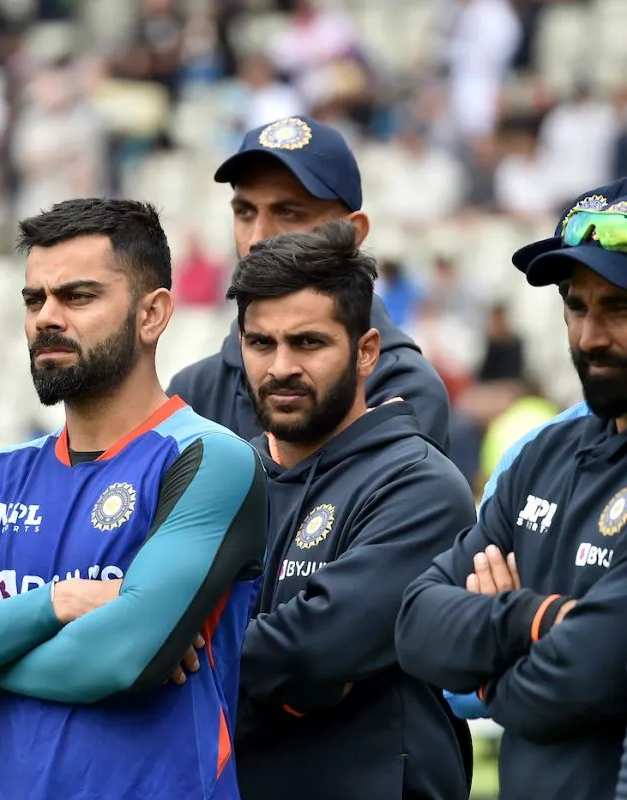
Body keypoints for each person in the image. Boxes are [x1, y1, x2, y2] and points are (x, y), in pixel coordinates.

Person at [0, 198, 269, 800]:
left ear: (153, 314)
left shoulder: (209, 459)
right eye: (35, 300)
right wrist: (57, 605)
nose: (47, 318)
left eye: (78, 297)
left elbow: (123, 658)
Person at [396, 181, 627, 800]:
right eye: (577, 307)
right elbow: (416, 624)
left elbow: (596, 669)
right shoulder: (545, 454)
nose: (589, 337)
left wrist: (493, 676)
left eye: (619, 308)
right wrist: (535, 617)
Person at [228, 220, 474, 800]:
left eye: (308, 343)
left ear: (366, 352)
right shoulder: (224, 478)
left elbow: (308, 654)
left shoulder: (420, 485)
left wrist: (172, 638)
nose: (280, 366)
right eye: (261, 343)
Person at [167, 115, 451, 451]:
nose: (258, 237)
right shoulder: (196, 387)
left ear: (354, 232)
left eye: (288, 212)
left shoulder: (406, 388)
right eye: (245, 212)